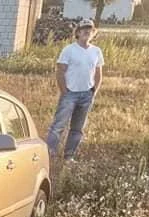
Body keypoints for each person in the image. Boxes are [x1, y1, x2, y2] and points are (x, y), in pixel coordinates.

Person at [46, 18, 103, 163]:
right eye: (84, 29)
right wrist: (65, 92)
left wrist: (93, 92)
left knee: (77, 128)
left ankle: (69, 156)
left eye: (90, 29)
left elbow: (98, 73)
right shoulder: (69, 50)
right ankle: (49, 154)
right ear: (77, 32)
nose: (87, 32)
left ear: (93, 32)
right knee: (58, 126)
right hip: (70, 94)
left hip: (87, 95)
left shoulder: (96, 51)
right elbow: (60, 71)